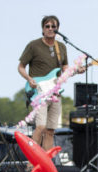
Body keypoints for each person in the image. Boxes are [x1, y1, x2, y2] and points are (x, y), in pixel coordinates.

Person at [18, 15, 84, 151]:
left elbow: (65, 69)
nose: (50, 29)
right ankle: (31, 162)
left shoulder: (61, 47)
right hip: (39, 91)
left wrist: (77, 70)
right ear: (42, 29)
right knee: (41, 127)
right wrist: (29, 79)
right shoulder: (33, 45)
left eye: (53, 27)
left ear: (58, 29)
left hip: (55, 91)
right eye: (47, 26)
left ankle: (47, 163)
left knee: (50, 130)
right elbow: (21, 67)